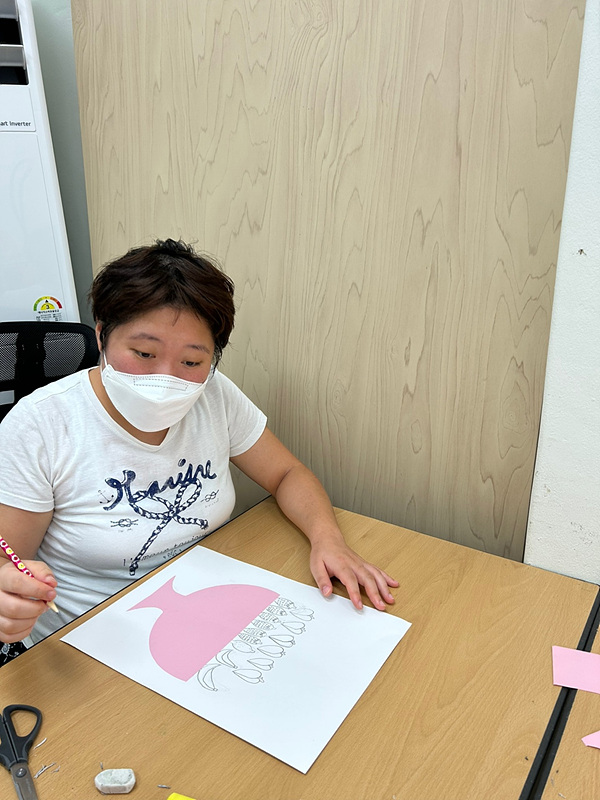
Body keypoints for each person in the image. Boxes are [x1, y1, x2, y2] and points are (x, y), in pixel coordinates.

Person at [0, 239, 397, 654]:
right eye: (144, 353)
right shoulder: (40, 425)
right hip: (87, 640)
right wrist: (9, 597)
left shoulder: (214, 395)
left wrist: (327, 538)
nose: (166, 378)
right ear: (102, 336)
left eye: (191, 362)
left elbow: (286, 473)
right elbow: (9, 562)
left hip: (202, 612)